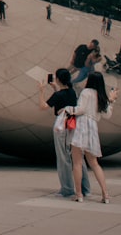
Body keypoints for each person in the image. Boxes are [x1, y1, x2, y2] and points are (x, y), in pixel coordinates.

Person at [38, 68, 89, 199]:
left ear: (59, 79)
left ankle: (67, 188)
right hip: (73, 124)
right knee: (78, 157)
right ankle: (85, 187)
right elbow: (63, 98)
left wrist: (42, 91)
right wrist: (56, 88)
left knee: (63, 156)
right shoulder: (71, 92)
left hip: (62, 125)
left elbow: (43, 106)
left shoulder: (58, 95)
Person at [64, 72, 116, 203]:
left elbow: (80, 109)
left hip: (81, 126)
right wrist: (112, 100)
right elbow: (107, 115)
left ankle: (79, 194)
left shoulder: (86, 92)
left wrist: (69, 110)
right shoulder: (101, 95)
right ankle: (105, 194)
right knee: (94, 163)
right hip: (92, 128)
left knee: (77, 163)